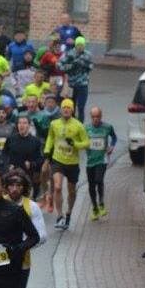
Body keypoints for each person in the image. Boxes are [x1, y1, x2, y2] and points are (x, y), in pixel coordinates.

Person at [2, 169, 47, 288]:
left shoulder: (31, 207)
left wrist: (23, 247)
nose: (14, 189)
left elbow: (42, 235)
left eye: (18, 185)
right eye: (11, 185)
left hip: (22, 262)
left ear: (24, 187)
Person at [44, 98, 90, 230]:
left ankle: (69, 212)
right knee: (57, 187)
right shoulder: (54, 124)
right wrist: (47, 150)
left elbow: (86, 143)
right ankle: (59, 216)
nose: (66, 109)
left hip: (72, 163)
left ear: (72, 110)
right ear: (61, 109)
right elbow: (51, 137)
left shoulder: (78, 125)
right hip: (57, 160)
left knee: (71, 190)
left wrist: (75, 144)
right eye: (64, 107)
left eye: (68, 108)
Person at [85, 106, 118, 221]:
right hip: (90, 161)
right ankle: (94, 208)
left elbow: (114, 137)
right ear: (91, 117)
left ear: (101, 116)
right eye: (93, 117)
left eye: (97, 116)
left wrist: (112, 147)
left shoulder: (107, 127)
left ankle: (101, 203)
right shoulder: (86, 128)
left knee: (99, 180)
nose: (95, 119)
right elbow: (81, 140)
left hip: (102, 159)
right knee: (91, 185)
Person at [59, 36, 94, 121]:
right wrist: (71, 66)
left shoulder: (88, 55)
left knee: (81, 107)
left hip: (83, 84)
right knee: (71, 106)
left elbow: (91, 66)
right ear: (75, 45)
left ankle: (80, 125)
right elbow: (60, 65)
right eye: (78, 45)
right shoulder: (69, 53)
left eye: (81, 45)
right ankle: (71, 122)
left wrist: (84, 64)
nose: (80, 47)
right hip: (72, 84)